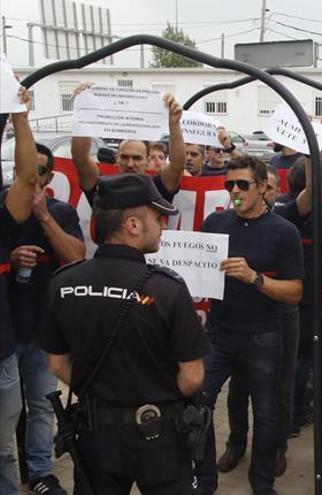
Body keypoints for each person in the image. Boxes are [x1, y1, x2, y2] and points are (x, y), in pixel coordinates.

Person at [39, 174, 207, 494]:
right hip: (158, 436)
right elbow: (193, 377)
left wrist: (107, 395)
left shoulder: (62, 283)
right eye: (157, 218)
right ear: (132, 225)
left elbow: (57, 365)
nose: (162, 225)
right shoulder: (166, 289)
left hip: (94, 438)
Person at [197, 156, 304, 495]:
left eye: (243, 184)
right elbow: (196, 270)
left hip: (262, 334)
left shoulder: (283, 231)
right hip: (219, 332)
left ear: (262, 187)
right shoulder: (215, 223)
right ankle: (205, 480)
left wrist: (255, 278)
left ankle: (261, 483)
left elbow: (295, 292)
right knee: (199, 403)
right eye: (230, 184)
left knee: (267, 411)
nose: (235, 191)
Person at [7, 143, 85, 495]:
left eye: (38, 170)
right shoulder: (4, 208)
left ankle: (40, 472)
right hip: (6, 330)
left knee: (40, 406)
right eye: (25, 168)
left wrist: (43, 216)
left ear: (49, 177)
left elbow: (76, 256)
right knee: (7, 413)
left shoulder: (60, 211)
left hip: (42, 329)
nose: (30, 176)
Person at [1, 89, 40, 495]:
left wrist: (19, 116)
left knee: (4, 453)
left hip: (1, 356)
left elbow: (28, 177)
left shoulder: (2, 215)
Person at [71, 84, 185, 205]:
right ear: (116, 159)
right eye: (124, 157)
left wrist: (174, 123)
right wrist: (83, 110)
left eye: (137, 158)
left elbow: (177, 166)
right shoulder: (102, 188)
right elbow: (81, 160)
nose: (130, 164)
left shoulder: (157, 188)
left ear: (147, 161)